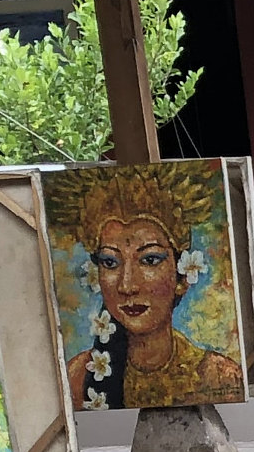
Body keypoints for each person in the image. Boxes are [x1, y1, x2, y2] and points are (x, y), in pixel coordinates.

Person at [59, 164, 244, 412]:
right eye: (110, 262)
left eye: (149, 260)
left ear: (182, 276)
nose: (127, 285)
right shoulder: (78, 376)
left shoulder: (219, 375)